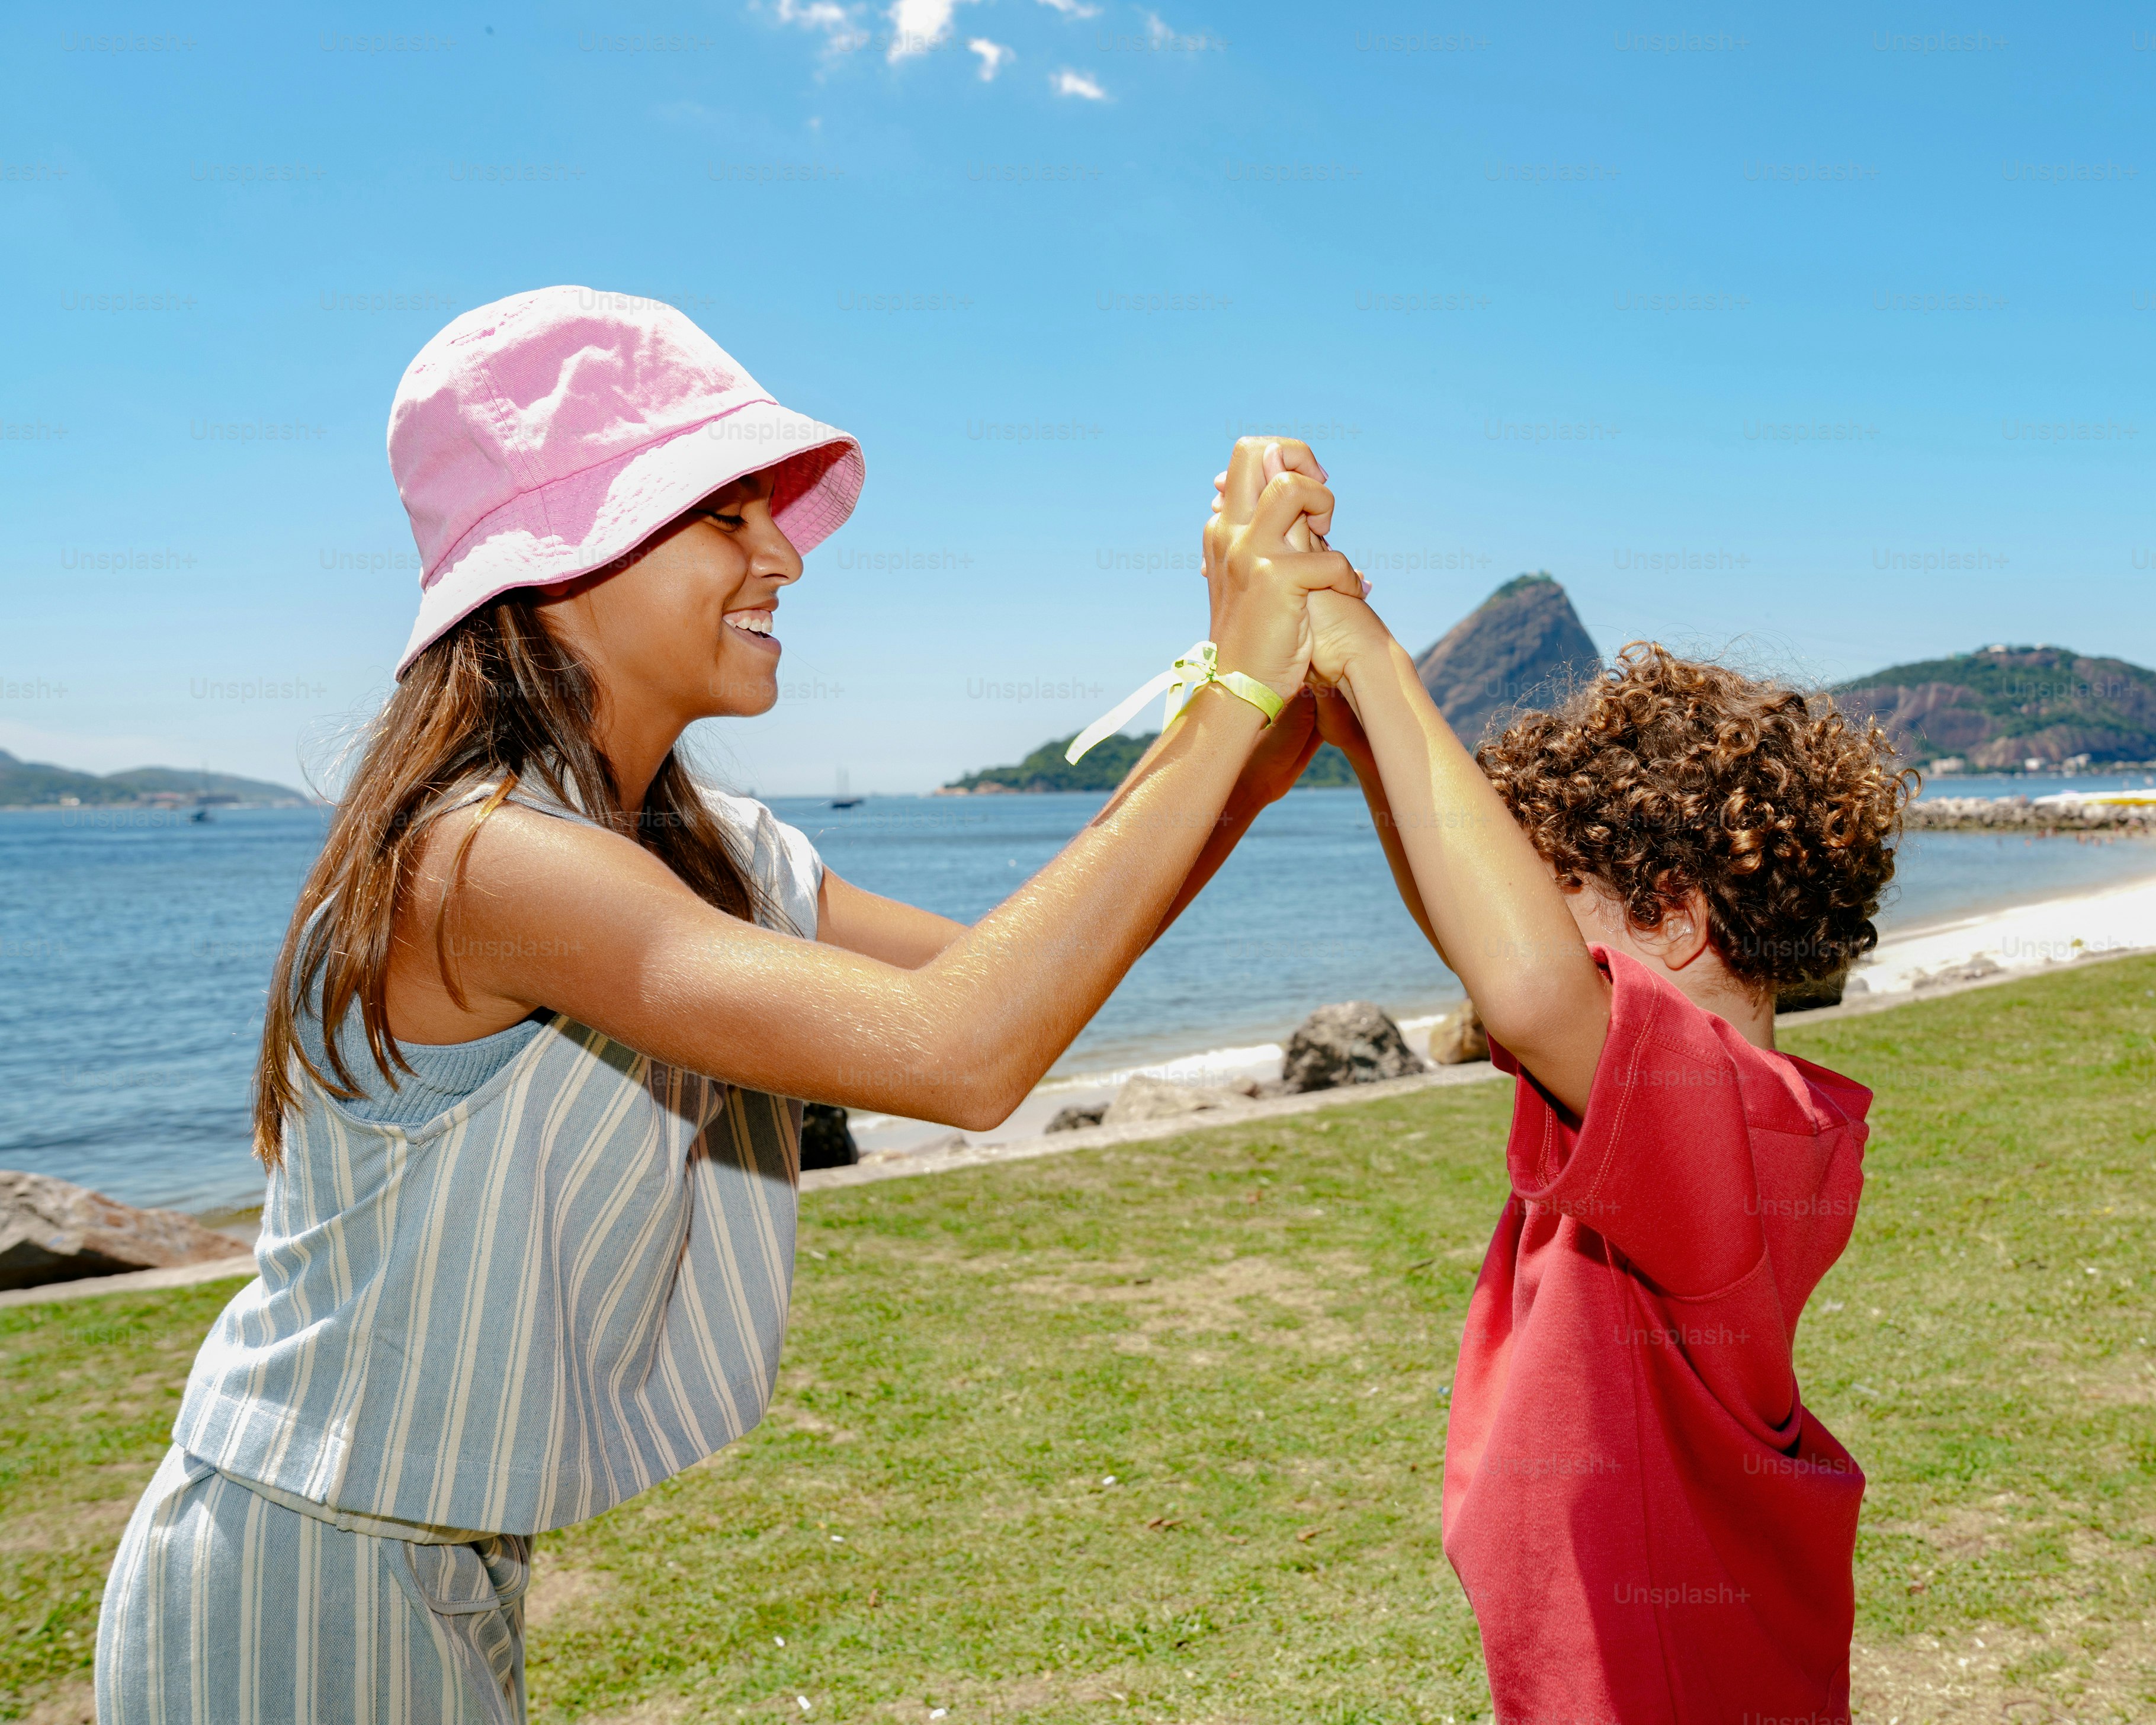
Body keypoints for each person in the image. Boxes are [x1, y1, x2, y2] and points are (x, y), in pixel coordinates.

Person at [95, 286, 1361, 1725]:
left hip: (424, 1552)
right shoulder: (486, 860)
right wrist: (1232, 695)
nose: (783, 559)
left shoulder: (708, 852)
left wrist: (1258, 712)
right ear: (562, 563)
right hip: (296, 1572)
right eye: (724, 516)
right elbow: (961, 1052)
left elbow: (1021, 979)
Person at [1208, 452, 1906, 1719]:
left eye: (1557, 898)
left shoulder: (1727, 1122)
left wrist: (1367, 652)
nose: (1519, 933)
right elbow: (1492, 957)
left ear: (1675, 921)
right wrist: (1359, 736)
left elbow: (1525, 988)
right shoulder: (1691, 1119)